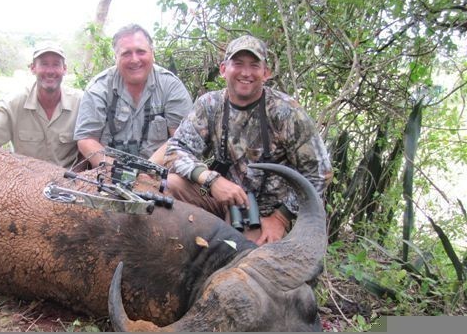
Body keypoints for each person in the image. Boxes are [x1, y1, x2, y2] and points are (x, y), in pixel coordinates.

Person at [163, 35, 332, 245]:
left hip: (262, 213)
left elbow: (320, 172)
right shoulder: (209, 104)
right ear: (224, 69)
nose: (246, 73)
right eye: (238, 64)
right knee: (172, 185)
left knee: (241, 254)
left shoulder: (287, 112)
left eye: (254, 65)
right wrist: (210, 179)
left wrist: (281, 218)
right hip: (218, 195)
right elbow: (175, 150)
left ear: (266, 73)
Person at [73, 24, 193, 167]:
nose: (135, 59)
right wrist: (118, 172)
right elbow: (86, 140)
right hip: (108, 172)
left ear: (152, 53)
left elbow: (181, 139)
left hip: (160, 174)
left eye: (141, 51)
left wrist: (145, 172)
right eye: (126, 53)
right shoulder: (98, 88)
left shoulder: (171, 86)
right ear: (115, 57)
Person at [0, 42, 83, 168]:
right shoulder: (14, 103)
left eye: (56, 64)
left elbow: (94, 143)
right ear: (33, 68)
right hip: (24, 183)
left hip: (70, 182)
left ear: (64, 69)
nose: (50, 71)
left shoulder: (81, 102)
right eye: (44, 64)